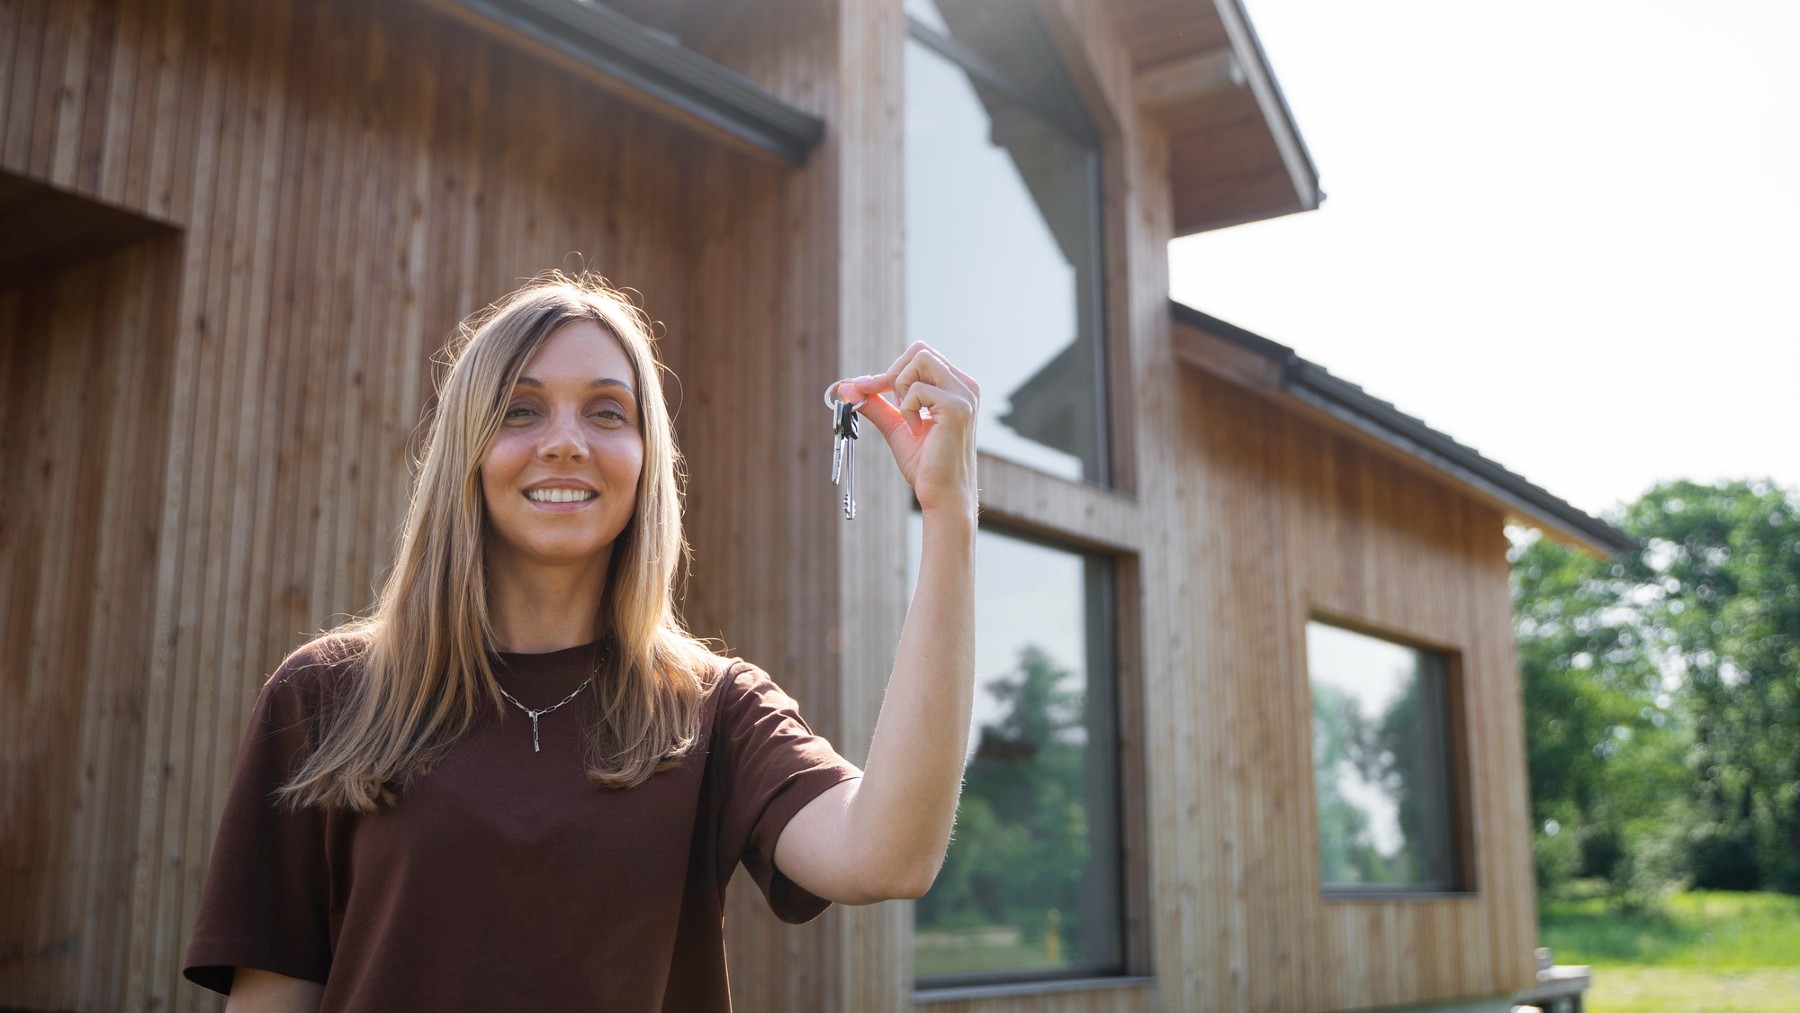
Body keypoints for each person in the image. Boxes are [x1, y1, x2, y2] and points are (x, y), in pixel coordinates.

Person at [182, 272, 979, 1011]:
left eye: (607, 411)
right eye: (521, 410)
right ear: (468, 449)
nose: (566, 442)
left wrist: (949, 517)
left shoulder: (714, 708)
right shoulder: (324, 694)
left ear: (644, 463)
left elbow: (890, 854)